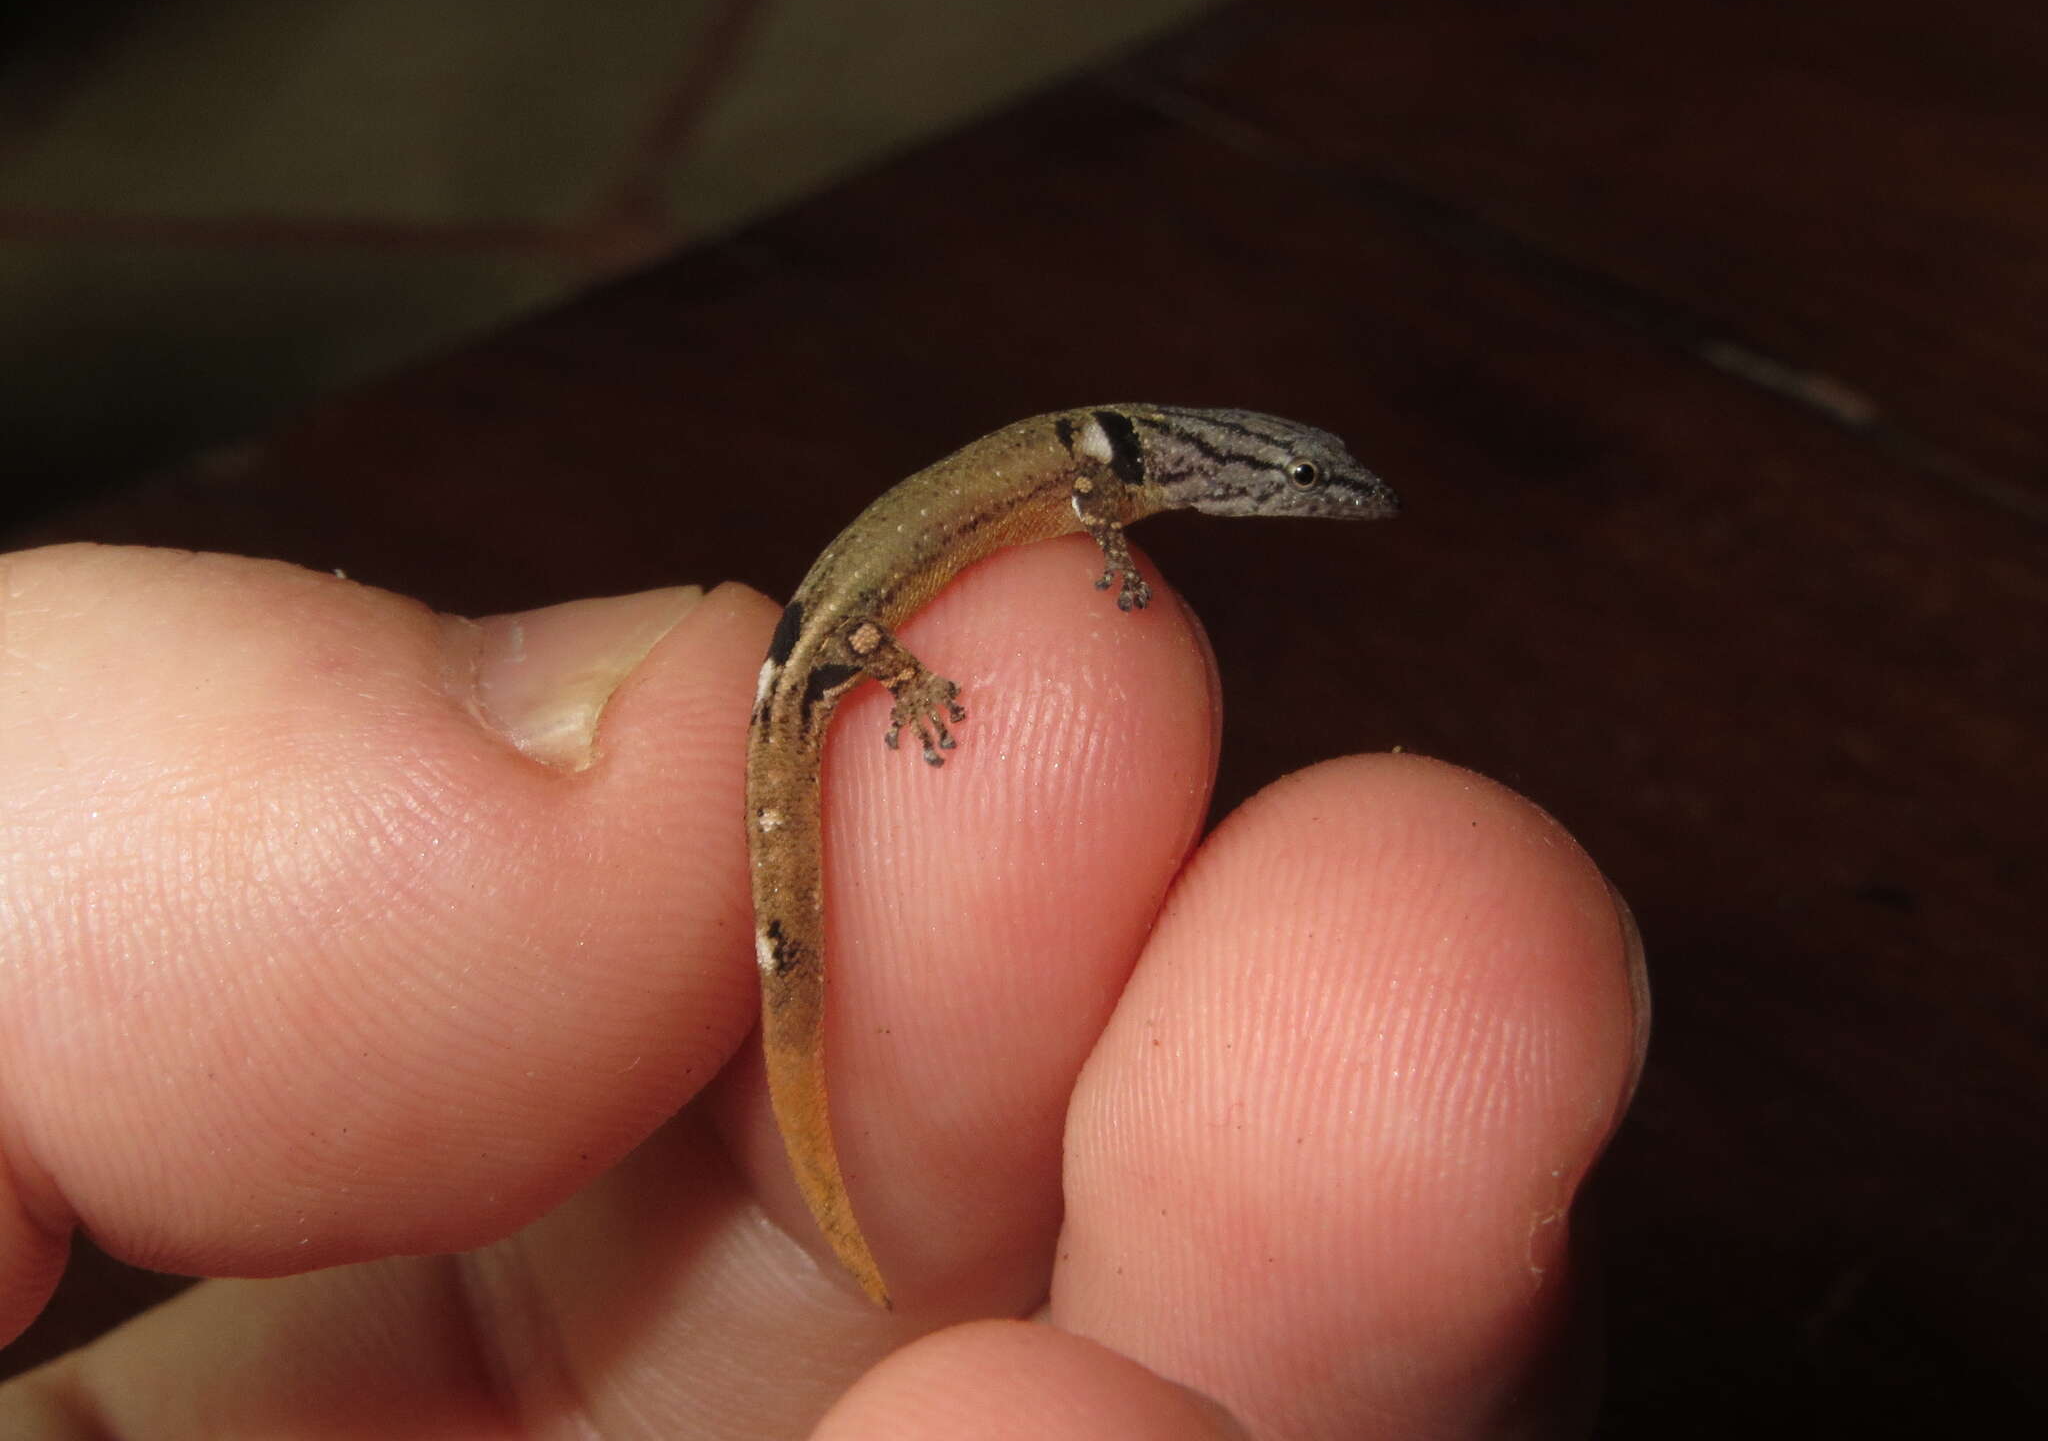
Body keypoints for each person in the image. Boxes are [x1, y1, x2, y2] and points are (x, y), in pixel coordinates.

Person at [0, 540, 1646, 1438]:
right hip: (823, 662)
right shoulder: (1079, 490)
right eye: (1300, 492)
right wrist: (916, 670)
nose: (1314, 505)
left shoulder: (1095, 487)